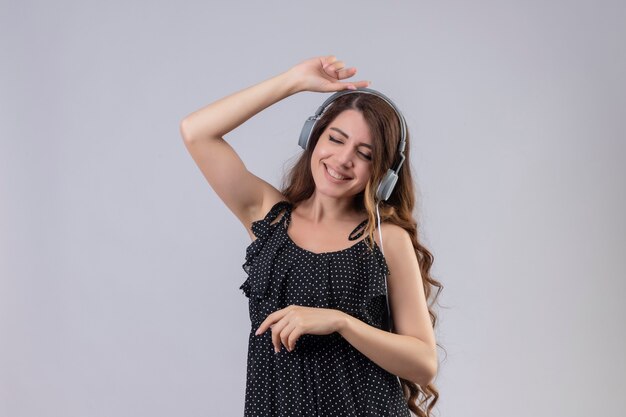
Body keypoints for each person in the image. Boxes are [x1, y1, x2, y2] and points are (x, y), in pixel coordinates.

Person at [180, 55, 443, 417]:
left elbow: (423, 362)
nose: (343, 159)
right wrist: (293, 81)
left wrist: (340, 321)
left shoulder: (384, 239)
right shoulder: (268, 218)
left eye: (364, 154)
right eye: (336, 139)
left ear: (381, 174)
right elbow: (196, 132)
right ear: (312, 137)